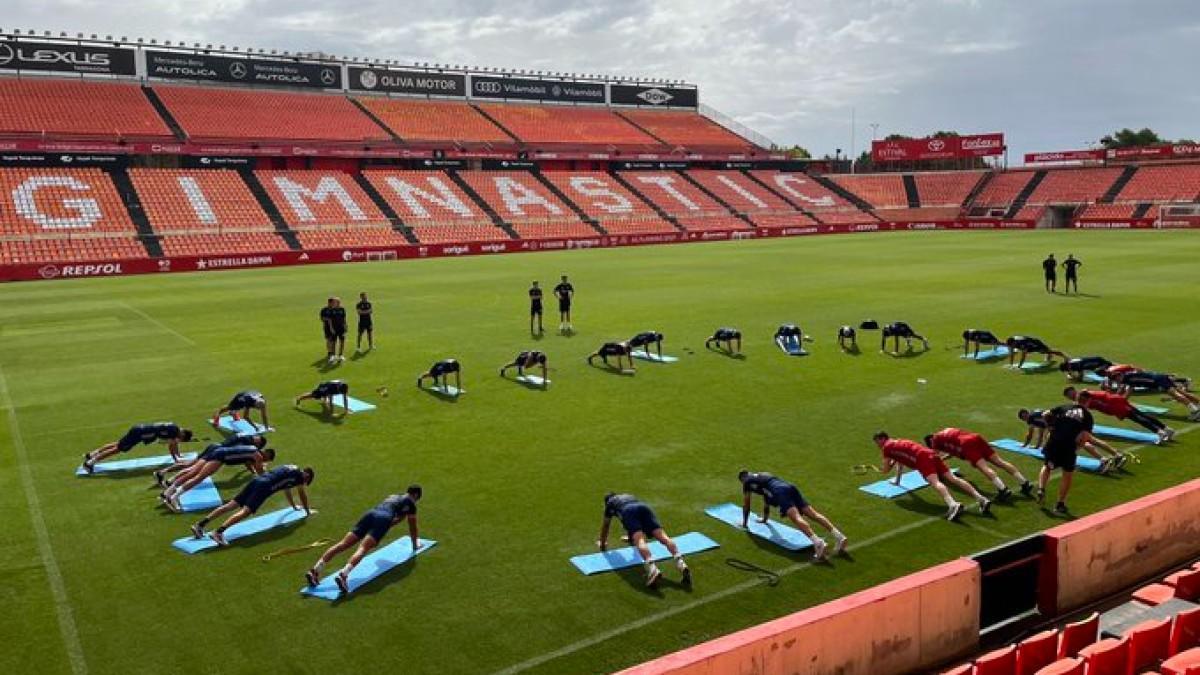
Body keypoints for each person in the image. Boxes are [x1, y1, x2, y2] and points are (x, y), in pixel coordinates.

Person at [306, 485, 422, 594]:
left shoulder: (393, 496)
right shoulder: (411, 504)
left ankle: (315, 570)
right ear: (416, 495)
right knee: (363, 548)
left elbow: (395, 516)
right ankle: (343, 575)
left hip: (371, 514)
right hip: (383, 519)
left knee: (343, 544)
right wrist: (415, 544)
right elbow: (412, 526)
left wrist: (391, 522)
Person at [872, 431, 991, 521]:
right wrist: (897, 481)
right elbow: (900, 462)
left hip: (922, 459)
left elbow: (886, 470)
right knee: (953, 478)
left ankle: (953, 505)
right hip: (931, 454)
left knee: (935, 482)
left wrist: (886, 467)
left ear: (882, 439)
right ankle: (982, 499)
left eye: (877, 441)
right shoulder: (899, 442)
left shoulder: (886, 448)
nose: (877, 444)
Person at [189, 465, 314, 546]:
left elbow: (287, 490)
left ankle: (200, 525)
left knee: (231, 505)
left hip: (257, 480)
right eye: (306, 481)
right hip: (265, 487)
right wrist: (307, 511)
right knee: (246, 511)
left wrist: (293, 506)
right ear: (307, 475)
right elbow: (302, 494)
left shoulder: (291, 469)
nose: (304, 483)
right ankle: (218, 532)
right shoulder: (299, 477)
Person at [737, 470, 847, 560]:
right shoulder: (763, 475)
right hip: (789, 487)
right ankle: (839, 537)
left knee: (796, 518)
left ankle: (818, 543)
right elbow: (766, 502)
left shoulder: (747, 482)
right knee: (813, 514)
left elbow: (747, 505)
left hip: (780, 492)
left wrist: (745, 523)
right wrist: (765, 519)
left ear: (742, 479)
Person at [598, 492, 690, 588]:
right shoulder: (627, 496)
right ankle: (680, 562)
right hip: (644, 507)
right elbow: (635, 519)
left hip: (628, 511)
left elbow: (606, 526)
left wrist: (602, 543)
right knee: (664, 538)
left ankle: (652, 568)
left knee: (639, 541)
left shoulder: (610, 504)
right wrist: (630, 538)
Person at [161, 442, 275, 512]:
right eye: (267, 459)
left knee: (194, 473)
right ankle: (173, 497)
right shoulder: (258, 456)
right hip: (221, 456)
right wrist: (265, 471)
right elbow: (260, 471)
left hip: (220, 453)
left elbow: (250, 463)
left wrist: (259, 468)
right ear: (267, 455)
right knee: (199, 478)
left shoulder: (253, 449)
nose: (265, 461)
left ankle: (168, 492)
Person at [924, 428, 1033, 499]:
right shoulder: (946, 433)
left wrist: (935, 470)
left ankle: (1003, 489)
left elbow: (935, 457)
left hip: (966, 444)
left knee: (983, 467)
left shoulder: (935, 441)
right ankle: (1024, 482)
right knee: (999, 462)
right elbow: (952, 450)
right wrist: (945, 458)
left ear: (930, 441)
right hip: (975, 438)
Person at [1018, 407, 1123, 472]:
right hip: (1072, 422)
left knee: (1081, 443)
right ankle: (1117, 454)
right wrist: (1038, 445)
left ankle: (1103, 459)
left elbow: (1031, 434)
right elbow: (1041, 431)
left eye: (1024, 417)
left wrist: (1025, 444)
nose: (1025, 418)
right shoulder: (1037, 413)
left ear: (1025, 414)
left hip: (1064, 428)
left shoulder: (1031, 419)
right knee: (1091, 440)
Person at [1065, 386, 1175, 442]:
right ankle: (1166, 429)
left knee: (1137, 418)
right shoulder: (1082, 396)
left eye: (1069, 395)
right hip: (1115, 401)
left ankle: (1160, 432)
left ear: (1072, 392)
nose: (1070, 397)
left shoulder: (1081, 396)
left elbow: (1086, 403)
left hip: (1114, 404)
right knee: (1140, 415)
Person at [1037, 405, 1092, 513]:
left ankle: (1041, 488)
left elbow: (1045, 414)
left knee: (1047, 466)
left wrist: (1049, 426)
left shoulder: (1065, 407)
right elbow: (1085, 436)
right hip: (1069, 446)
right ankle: (1060, 504)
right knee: (1067, 474)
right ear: (1088, 402)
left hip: (1053, 441)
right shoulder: (1087, 416)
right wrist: (1077, 448)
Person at [154, 433, 265, 487]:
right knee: (194, 470)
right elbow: (247, 461)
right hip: (217, 452)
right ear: (259, 443)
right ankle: (170, 482)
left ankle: (162, 473)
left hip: (214, 446)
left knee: (190, 464)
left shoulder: (244, 435)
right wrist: (254, 471)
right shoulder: (248, 444)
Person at [82, 422, 193, 474]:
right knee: (119, 449)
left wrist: (178, 455)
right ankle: (90, 463)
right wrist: (176, 459)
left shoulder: (174, 427)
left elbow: (173, 444)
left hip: (139, 429)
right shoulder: (174, 432)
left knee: (118, 444)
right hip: (139, 434)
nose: (179, 440)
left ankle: (91, 455)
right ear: (182, 435)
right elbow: (171, 446)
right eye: (181, 439)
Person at [1107, 368, 1200, 420]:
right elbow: (1126, 390)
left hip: (1157, 381)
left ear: (1119, 376)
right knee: (1182, 393)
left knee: (1176, 395)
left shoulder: (1127, 379)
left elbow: (1128, 392)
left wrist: (1120, 402)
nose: (1116, 381)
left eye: (1115, 379)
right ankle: (1197, 405)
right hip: (1159, 377)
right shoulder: (1128, 377)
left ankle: (1195, 411)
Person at [320, 297, 347, 364]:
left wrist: (345, 326)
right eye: (336, 302)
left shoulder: (342, 309)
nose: (337, 303)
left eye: (338, 302)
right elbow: (330, 320)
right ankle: (333, 355)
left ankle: (341, 355)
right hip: (334, 328)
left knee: (342, 341)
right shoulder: (331, 310)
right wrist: (331, 328)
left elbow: (344, 318)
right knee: (333, 342)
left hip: (341, 328)